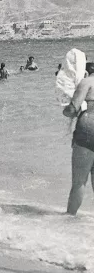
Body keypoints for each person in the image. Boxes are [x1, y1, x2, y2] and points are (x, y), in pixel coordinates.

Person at [62, 53, 94, 216]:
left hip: (88, 128)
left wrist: (65, 110)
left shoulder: (87, 82)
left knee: (79, 181)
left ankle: (69, 221)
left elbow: (72, 109)